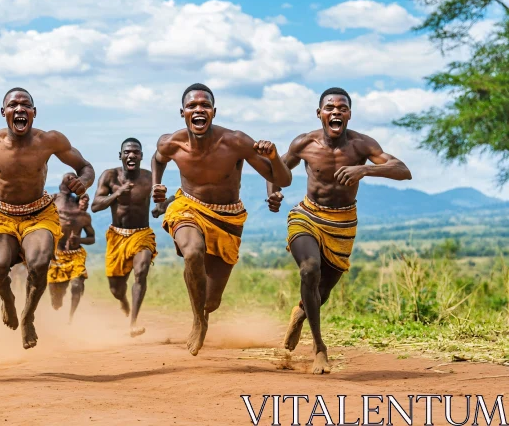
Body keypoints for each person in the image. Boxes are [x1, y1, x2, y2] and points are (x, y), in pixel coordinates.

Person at [267, 87, 412, 374]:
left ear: (349, 115)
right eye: (330, 107)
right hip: (307, 214)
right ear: (319, 113)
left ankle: (300, 313)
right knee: (309, 269)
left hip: (343, 222)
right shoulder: (304, 142)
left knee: (322, 291)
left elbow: (402, 170)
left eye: (342, 108)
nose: (336, 111)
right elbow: (278, 169)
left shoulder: (361, 145)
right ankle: (319, 348)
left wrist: (365, 170)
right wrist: (273, 193)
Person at [151, 83, 292, 356]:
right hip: (187, 207)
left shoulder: (235, 141)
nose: (198, 109)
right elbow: (158, 159)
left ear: (214, 112)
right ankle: (197, 321)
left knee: (212, 300)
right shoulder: (170, 142)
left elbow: (282, 179)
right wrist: (157, 188)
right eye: (192, 106)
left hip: (228, 217)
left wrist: (274, 157)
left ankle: (204, 312)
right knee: (193, 252)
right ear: (182, 112)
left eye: (204, 105)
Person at [0, 87, 95, 349]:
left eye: (25, 105)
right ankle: (8, 300)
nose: (19, 109)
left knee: (40, 262)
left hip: (39, 214)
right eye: (13, 105)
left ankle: (28, 315)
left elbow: (85, 167)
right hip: (1, 215)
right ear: (4, 113)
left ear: (34, 112)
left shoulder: (50, 140)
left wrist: (84, 182)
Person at [92, 138, 162, 337]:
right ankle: (123, 302)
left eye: (136, 152)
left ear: (141, 156)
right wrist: (117, 194)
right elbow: (95, 206)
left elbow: (159, 204)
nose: (131, 155)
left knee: (141, 271)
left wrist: (162, 207)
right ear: (120, 155)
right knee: (116, 289)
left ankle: (134, 322)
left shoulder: (150, 178)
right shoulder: (110, 176)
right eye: (127, 152)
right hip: (117, 237)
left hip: (142, 234)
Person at [47, 173, 95, 323]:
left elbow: (92, 238)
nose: (69, 182)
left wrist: (79, 239)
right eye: (67, 179)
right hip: (56, 254)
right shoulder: (53, 199)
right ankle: (57, 299)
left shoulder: (82, 212)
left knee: (76, 286)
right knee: (56, 297)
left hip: (75, 255)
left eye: (73, 179)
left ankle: (71, 318)